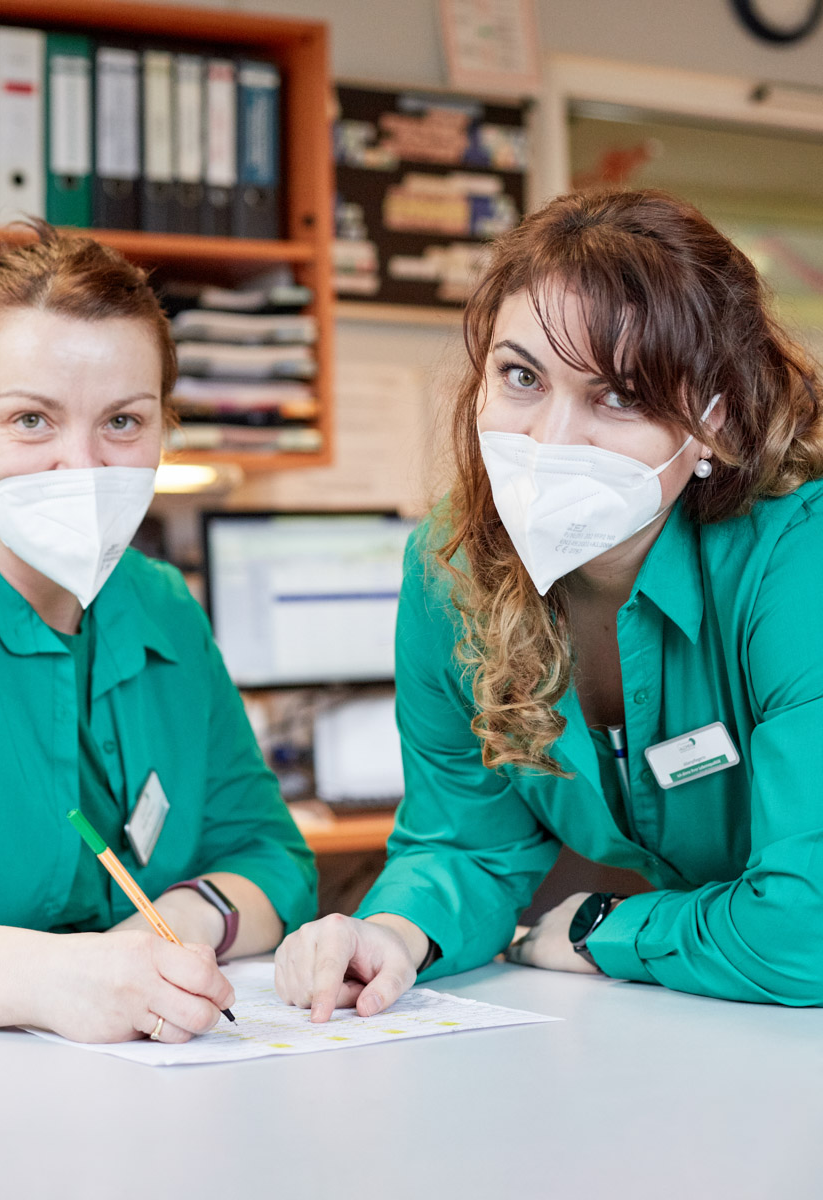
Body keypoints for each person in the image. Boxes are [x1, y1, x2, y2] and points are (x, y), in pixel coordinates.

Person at [275, 187, 823, 1016]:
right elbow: (465, 843)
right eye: (521, 376)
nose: (549, 442)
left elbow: (808, 926)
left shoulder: (797, 558)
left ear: (711, 419)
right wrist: (391, 932)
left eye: (620, 394)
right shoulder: (450, 569)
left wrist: (608, 929)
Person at [0, 224, 316, 1043]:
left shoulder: (162, 605)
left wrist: (170, 928)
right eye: (32, 420)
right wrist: (52, 980)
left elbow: (271, 859)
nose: (84, 464)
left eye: (123, 422)